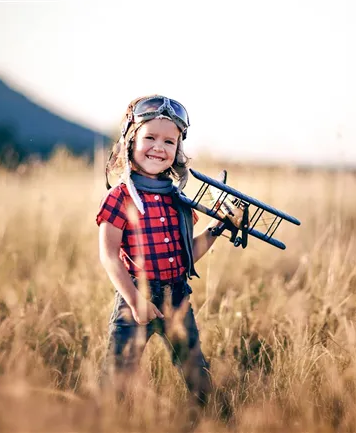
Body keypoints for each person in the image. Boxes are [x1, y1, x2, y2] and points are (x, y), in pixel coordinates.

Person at [96, 95, 234, 429]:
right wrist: (135, 301)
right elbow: (109, 256)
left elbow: (187, 258)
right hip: (136, 300)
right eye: (150, 138)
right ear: (131, 142)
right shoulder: (121, 196)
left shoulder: (177, 198)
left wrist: (219, 228)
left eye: (169, 141)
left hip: (177, 297)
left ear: (178, 148)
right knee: (118, 378)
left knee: (196, 373)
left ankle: (214, 423)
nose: (159, 147)